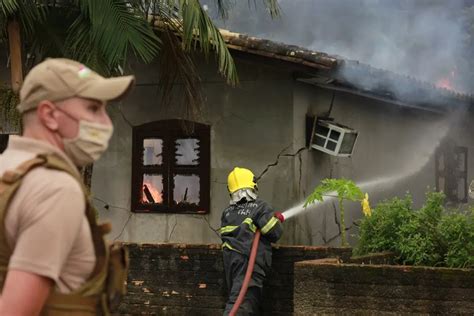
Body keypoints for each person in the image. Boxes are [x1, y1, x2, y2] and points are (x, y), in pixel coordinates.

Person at [0, 58, 134, 315]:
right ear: (49, 115)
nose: (105, 122)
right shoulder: (55, 189)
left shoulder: (7, 169)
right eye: (93, 109)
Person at [220, 167, 284, 315]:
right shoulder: (260, 207)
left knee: (239, 298)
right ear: (253, 186)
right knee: (241, 303)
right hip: (248, 262)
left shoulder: (227, 212)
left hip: (231, 262)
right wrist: (275, 219)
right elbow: (275, 232)